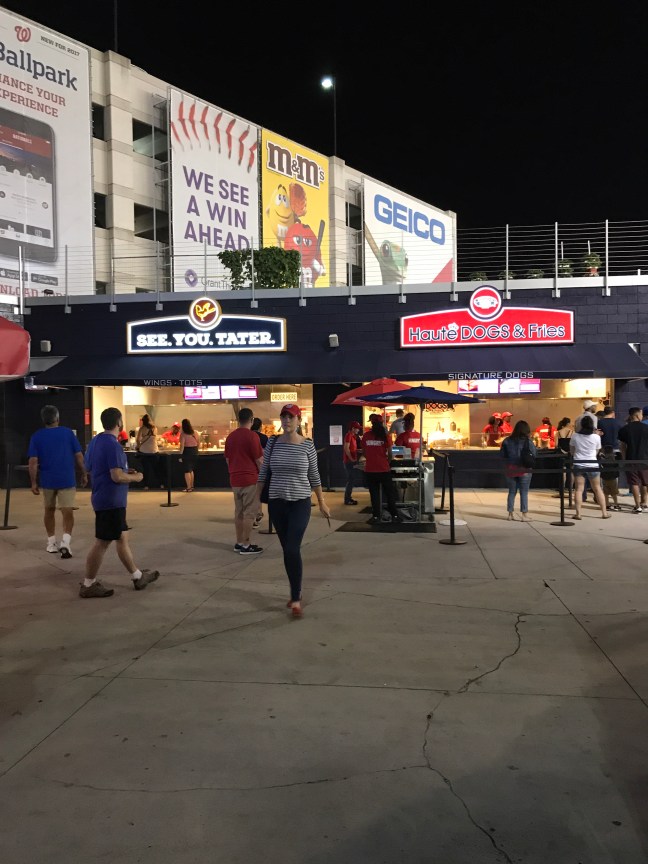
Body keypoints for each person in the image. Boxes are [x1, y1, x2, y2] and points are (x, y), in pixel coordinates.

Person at [254, 404, 331, 618]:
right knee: (288, 550)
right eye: (284, 417)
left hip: (300, 503)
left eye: (291, 417)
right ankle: (295, 591)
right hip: (277, 503)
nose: (287, 420)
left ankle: (296, 598)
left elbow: (314, 475)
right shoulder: (273, 443)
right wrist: (256, 501)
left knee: (291, 548)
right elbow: (263, 472)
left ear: (298, 420)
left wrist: (322, 502)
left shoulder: (307, 445)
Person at [81, 407, 160, 598]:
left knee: (122, 537)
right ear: (119, 423)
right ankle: (88, 584)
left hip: (103, 498)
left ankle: (137, 576)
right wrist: (136, 477)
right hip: (111, 501)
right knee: (102, 542)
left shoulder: (95, 441)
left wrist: (124, 471)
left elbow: (90, 467)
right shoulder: (113, 445)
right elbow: (116, 476)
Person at [27, 404, 87, 558]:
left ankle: (51, 542)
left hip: (47, 480)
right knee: (67, 511)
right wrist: (84, 473)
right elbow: (79, 456)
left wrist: (33, 482)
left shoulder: (36, 436)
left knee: (49, 510)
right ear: (57, 418)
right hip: (67, 479)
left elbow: (33, 461)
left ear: (43, 420)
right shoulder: (68, 433)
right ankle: (65, 542)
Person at [224, 407, 264, 555]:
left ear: (238, 420)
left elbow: (228, 460)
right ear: (251, 420)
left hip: (235, 479)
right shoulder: (252, 436)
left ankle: (239, 542)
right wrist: (264, 476)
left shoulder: (230, 437)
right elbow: (259, 460)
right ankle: (246, 545)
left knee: (239, 512)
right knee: (249, 513)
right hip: (250, 479)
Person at [361, 416, 402, 525]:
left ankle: (376, 517)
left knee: (374, 495)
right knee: (389, 494)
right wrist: (387, 461)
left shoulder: (366, 436)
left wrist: (371, 458)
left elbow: (364, 452)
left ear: (372, 424)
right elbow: (391, 453)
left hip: (370, 469)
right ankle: (395, 515)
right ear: (382, 423)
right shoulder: (385, 436)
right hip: (384, 469)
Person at [569, 414, 609, 520]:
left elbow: (572, 451)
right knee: (597, 488)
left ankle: (578, 514)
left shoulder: (575, 436)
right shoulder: (596, 437)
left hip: (579, 464)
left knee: (579, 489)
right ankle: (604, 513)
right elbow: (597, 450)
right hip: (592, 464)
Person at [500, 420, 536, 521]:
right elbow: (534, 454)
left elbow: (502, 455)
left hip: (511, 469)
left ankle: (510, 514)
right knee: (524, 492)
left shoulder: (507, 440)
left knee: (512, 492)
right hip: (524, 469)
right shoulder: (528, 441)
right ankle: (524, 515)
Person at [618, 406, 648, 514]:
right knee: (645, 482)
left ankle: (637, 505)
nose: (642, 416)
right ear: (637, 415)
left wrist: (624, 458)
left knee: (634, 483)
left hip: (630, 459)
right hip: (644, 459)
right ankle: (645, 503)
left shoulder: (624, 429)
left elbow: (622, 446)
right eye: (641, 414)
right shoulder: (646, 428)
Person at [135, 413, 161, 490]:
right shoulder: (154, 428)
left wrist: (138, 446)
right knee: (156, 469)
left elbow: (138, 440)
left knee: (146, 469)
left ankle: (146, 485)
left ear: (143, 421)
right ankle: (160, 484)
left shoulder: (142, 428)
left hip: (144, 451)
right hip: (154, 450)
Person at [251, 417, 268, 526]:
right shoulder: (264, 438)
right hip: (260, 467)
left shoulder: (247, 436)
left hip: (249, 468)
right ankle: (257, 513)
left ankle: (255, 514)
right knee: (258, 491)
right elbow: (266, 453)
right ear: (260, 427)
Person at [343, 420, 363, 505]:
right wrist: (351, 459)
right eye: (357, 428)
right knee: (350, 480)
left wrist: (358, 450)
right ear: (353, 428)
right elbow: (346, 448)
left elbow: (351, 448)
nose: (358, 430)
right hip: (349, 462)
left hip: (351, 461)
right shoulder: (348, 435)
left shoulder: (353, 436)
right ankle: (347, 499)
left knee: (351, 480)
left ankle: (348, 498)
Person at [178, 418, 199, 492]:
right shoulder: (195, 432)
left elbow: (182, 446)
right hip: (194, 451)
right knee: (191, 470)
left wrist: (180, 456)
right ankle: (192, 486)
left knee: (187, 470)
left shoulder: (183, 434)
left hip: (187, 452)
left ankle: (188, 487)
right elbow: (198, 442)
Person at [598, 444, 621, 511]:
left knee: (606, 492)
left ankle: (607, 505)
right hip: (613, 477)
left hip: (604, 477)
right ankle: (616, 504)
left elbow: (599, 459)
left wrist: (600, 454)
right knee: (614, 492)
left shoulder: (603, 459)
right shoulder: (614, 459)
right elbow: (619, 458)